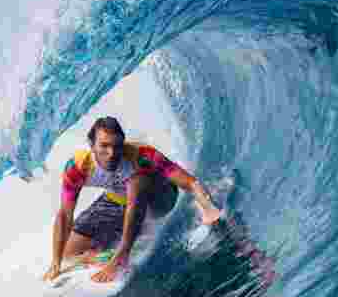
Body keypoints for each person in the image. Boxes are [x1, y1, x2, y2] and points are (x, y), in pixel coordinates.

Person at [43, 116, 223, 283]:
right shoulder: (78, 167)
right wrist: (56, 263)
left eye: (117, 146)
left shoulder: (142, 156)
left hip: (159, 199)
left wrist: (208, 208)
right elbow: (65, 214)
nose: (112, 153)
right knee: (68, 253)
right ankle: (100, 255)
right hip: (116, 198)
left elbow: (189, 182)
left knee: (138, 182)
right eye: (104, 146)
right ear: (91, 145)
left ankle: (122, 253)